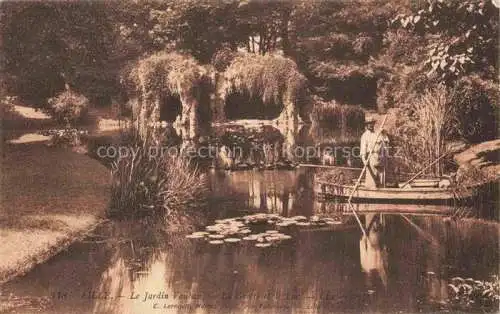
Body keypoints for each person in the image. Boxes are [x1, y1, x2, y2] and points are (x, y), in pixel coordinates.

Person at [360, 117, 389, 188]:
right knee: (372, 182)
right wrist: (364, 161)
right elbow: (363, 151)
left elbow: (385, 143)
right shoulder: (364, 136)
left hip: (380, 159)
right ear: (366, 125)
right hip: (371, 160)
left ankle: (382, 193)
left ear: (374, 124)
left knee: (381, 181)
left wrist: (384, 133)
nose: (370, 125)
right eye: (369, 124)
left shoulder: (378, 133)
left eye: (372, 123)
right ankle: (370, 194)